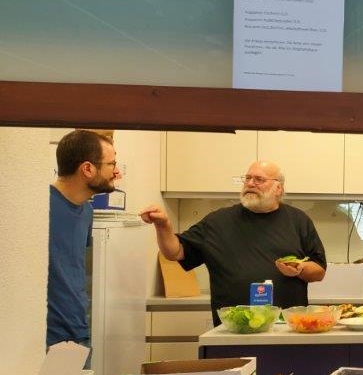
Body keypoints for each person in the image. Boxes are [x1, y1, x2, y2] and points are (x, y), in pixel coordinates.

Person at [140, 161, 327, 326]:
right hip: (233, 329)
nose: (251, 183)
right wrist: (163, 225)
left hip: (286, 329)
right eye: (247, 178)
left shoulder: (298, 221)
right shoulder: (218, 221)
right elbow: (175, 252)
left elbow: (319, 270)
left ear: (279, 188)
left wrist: (300, 268)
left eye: (259, 179)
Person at [48, 130, 121, 360]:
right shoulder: (41, 206)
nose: (117, 172)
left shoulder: (86, 211)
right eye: (112, 164)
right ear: (88, 169)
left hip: (79, 332)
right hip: (46, 339)